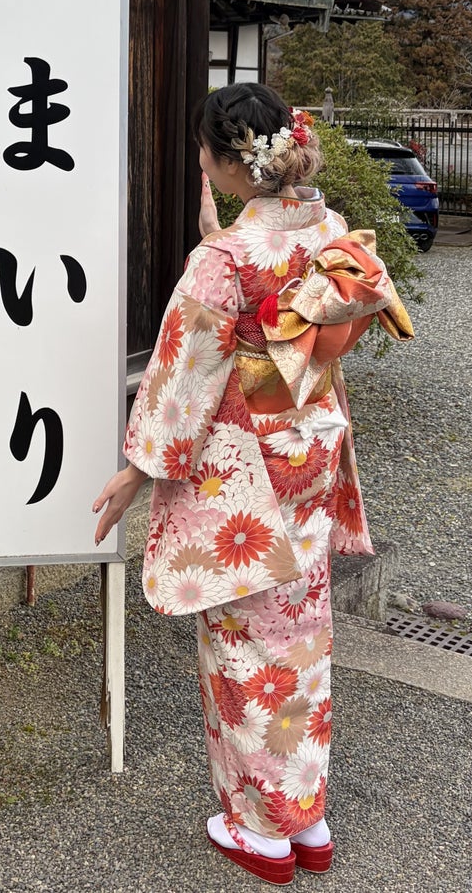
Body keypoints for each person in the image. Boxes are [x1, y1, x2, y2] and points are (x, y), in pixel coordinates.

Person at [93, 82, 413, 885]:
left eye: (204, 149)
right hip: (311, 444)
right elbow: (298, 298)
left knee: (245, 645)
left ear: (225, 162)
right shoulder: (329, 228)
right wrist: (224, 231)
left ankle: (262, 831)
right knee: (301, 632)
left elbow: (185, 374)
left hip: (246, 467)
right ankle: (309, 818)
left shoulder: (222, 262)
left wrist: (137, 469)